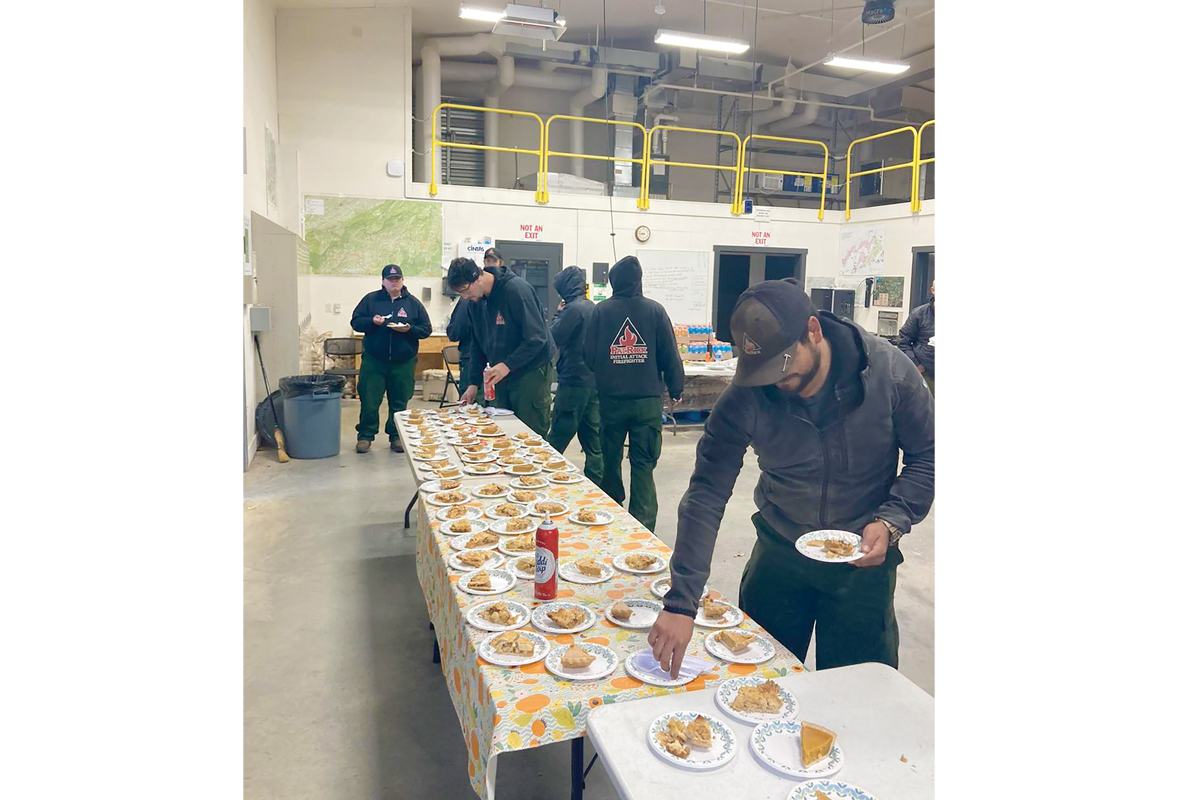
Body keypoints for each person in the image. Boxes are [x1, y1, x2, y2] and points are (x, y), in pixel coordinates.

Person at [647, 279, 934, 677]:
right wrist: (681, 603)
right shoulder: (747, 395)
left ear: (813, 332)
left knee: (858, 693)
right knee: (759, 684)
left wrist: (893, 519)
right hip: (779, 556)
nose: (776, 383)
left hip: (863, 566)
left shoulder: (890, 376)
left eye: (783, 367)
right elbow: (706, 493)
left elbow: (928, 456)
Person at [582, 255, 684, 532]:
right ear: (639, 281)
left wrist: (608, 372)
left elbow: (588, 354)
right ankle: (642, 525)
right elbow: (669, 355)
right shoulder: (655, 311)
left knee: (610, 459)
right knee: (643, 464)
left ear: (613, 281)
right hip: (647, 403)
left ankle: (612, 514)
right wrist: (676, 388)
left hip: (611, 402)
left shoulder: (601, 312)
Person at [447, 257, 553, 436]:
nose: (465, 297)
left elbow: (537, 338)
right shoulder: (476, 302)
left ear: (478, 278)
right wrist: (473, 383)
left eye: (465, 290)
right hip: (502, 372)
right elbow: (477, 345)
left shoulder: (516, 291)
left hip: (530, 370)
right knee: (502, 430)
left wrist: (508, 365)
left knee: (529, 433)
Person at [349, 265, 432, 453]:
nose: (394, 282)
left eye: (398, 279)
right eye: (390, 279)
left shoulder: (413, 303)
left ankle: (396, 436)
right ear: (383, 281)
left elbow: (426, 329)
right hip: (374, 360)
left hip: (403, 362)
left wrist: (409, 329)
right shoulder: (371, 300)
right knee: (369, 400)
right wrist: (372, 321)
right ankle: (365, 436)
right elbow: (355, 321)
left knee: (399, 402)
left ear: (402, 281)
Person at [546, 266, 603, 484]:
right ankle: (597, 486)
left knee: (557, 438)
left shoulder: (572, 310)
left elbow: (553, 338)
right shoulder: (594, 307)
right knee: (593, 441)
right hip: (594, 381)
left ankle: (545, 480)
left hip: (573, 382)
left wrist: (557, 314)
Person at [898, 280, 935, 396]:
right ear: (933, 291)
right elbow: (903, 342)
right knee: (929, 409)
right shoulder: (919, 314)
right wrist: (917, 366)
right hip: (926, 373)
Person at [445, 296, 473, 400]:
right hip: (498, 361)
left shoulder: (467, 300)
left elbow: (455, 332)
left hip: (471, 357)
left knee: (469, 404)